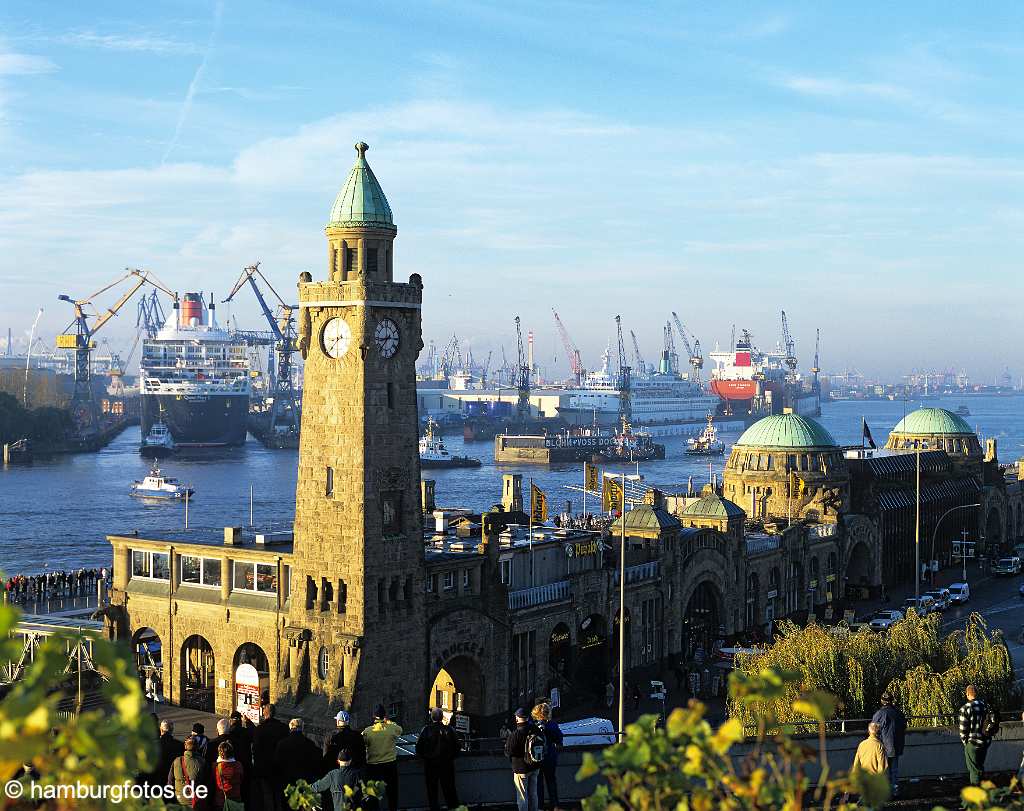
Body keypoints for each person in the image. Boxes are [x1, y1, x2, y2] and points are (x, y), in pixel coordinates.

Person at [416, 707, 460, 811]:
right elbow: (457, 747)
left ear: (432, 718)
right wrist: (450, 758)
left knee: (432, 792)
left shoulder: (426, 730)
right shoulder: (450, 730)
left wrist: (426, 758)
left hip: (431, 765)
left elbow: (419, 748)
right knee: (450, 790)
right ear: (442, 717)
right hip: (447, 764)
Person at [363, 705, 403, 811]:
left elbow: (363, 743)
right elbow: (400, 730)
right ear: (384, 716)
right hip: (390, 764)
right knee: (392, 792)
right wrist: (388, 721)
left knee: (373, 794)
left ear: (373, 716)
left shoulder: (368, 731)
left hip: (373, 765)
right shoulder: (392, 728)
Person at [252, 703, 289, 811]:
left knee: (267, 794)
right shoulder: (283, 728)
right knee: (279, 793)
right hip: (279, 766)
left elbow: (256, 749)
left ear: (264, 713)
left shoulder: (260, 729)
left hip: (264, 767)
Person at [504, 707, 541, 811]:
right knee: (533, 793)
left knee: (522, 795)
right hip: (535, 766)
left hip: (521, 769)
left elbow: (508, 752)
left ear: (517, 719)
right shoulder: (536, 729)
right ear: (528, 718)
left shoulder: (515, 735)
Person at [274, 718, 320, 799]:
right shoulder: (310, 744)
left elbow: (277, 764)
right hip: (304, 783)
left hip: (287, 782)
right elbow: (316, 765)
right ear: (302, 728)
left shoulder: (282, 744)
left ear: (290, 728)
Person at [871, 693, 907, 796]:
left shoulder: (879, 714)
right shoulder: (899, 713)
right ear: (892, 701)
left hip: (882, 747)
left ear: (882, 701)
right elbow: (903, 727)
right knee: (894, 770)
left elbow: (873, 730)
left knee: (880, 770)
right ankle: (894, 791)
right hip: (896, 746)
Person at [959, 684, 994, 786]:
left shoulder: (965, 708)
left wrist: (966, 742)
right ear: (977, 693)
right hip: (985, 742)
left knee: (974, 770)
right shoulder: (985, 706)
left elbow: (963, 730)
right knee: (980, 767)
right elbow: (992, 721)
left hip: (972, 743)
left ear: (967, 694)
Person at [532, 703, 563, 811]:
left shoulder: (533, 725)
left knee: (538, 784)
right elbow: (559, 739)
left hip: (537, 758)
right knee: (551, 782)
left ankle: (539, 806)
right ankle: (555, 805)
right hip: (550, 757)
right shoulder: (552, 725)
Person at [170, 735, 207, 807]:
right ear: (197, 747)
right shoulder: (202, 762)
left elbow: (170, 781)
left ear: (185, 746)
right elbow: (206, 781)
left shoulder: (177, 761)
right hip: (195, 801)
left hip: (179, 800)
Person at [214, 740, 245, 810]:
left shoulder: (216, 767)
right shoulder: (238, 765)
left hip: (222, 799)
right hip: (236, 797)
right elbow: (241, 778)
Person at [155, 720, 185, 792]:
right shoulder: (179, 745)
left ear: (161, 729)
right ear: (172, 730)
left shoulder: (154, 745)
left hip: (157, 778)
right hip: (174, 778)